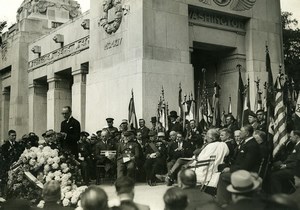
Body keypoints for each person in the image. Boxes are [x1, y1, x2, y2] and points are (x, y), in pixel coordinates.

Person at [217, 125, 261, 206]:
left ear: (247, 133)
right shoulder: (247, 143)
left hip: (247, 174)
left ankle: (223, 203)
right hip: (241, 170)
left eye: (241, 131)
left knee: (223, 176)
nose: (239, 133)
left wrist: (230, 169)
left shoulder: (252, 145)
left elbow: (246, 165)